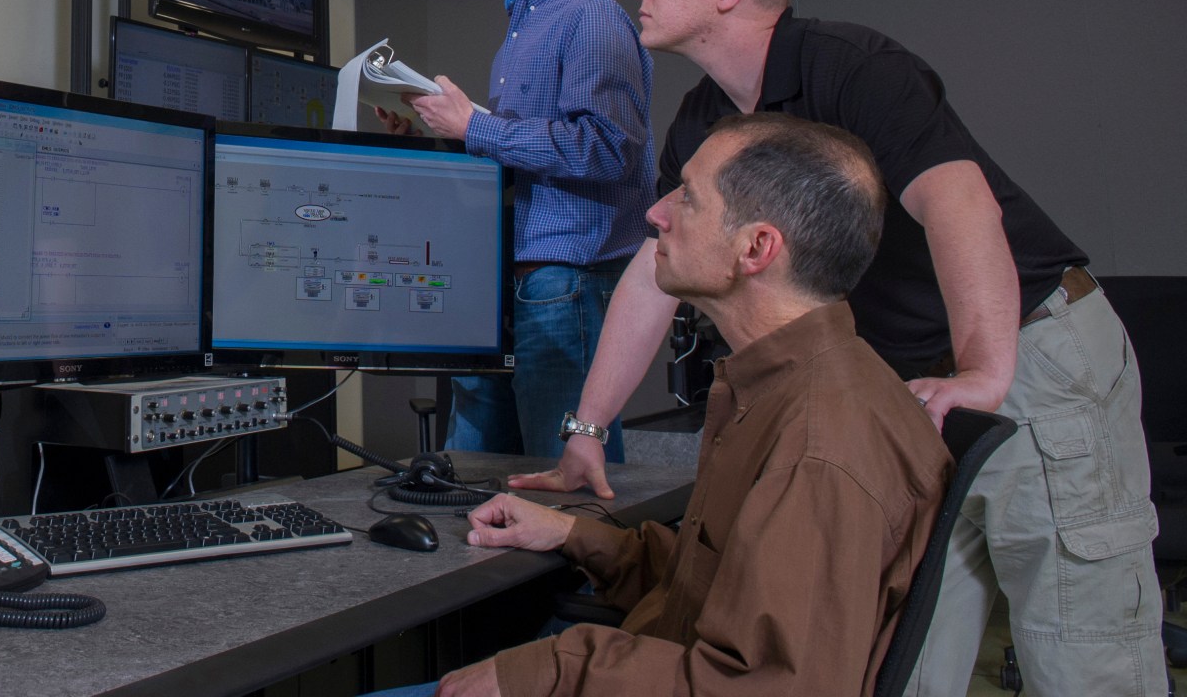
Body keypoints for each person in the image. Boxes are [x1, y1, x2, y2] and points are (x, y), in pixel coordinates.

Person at [510, 0, 1163, 695]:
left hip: (1031, 347)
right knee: (904, 655)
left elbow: (962, 204)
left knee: (1080, 649)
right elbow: (656, 268)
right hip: (909, 388)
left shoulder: (852, 66)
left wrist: (985, 372)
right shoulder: (707, 121)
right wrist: (589, 428)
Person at [386, 114, 951, 697]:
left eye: (688, 197)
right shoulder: (798, 388)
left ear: (756, 247)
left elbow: (763, 687)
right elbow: (714, 587)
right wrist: (575, 535)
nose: (656, 213)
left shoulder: (818, 449)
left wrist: (538, 673)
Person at [381, 0, 655, 460]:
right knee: (476, 474)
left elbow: (607, 148)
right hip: (513, 284)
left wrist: (476, 125)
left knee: (567, 484)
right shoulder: (524, 29)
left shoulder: (591, 18)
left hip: (566, 288)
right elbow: (530, 159)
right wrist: (441, 133)